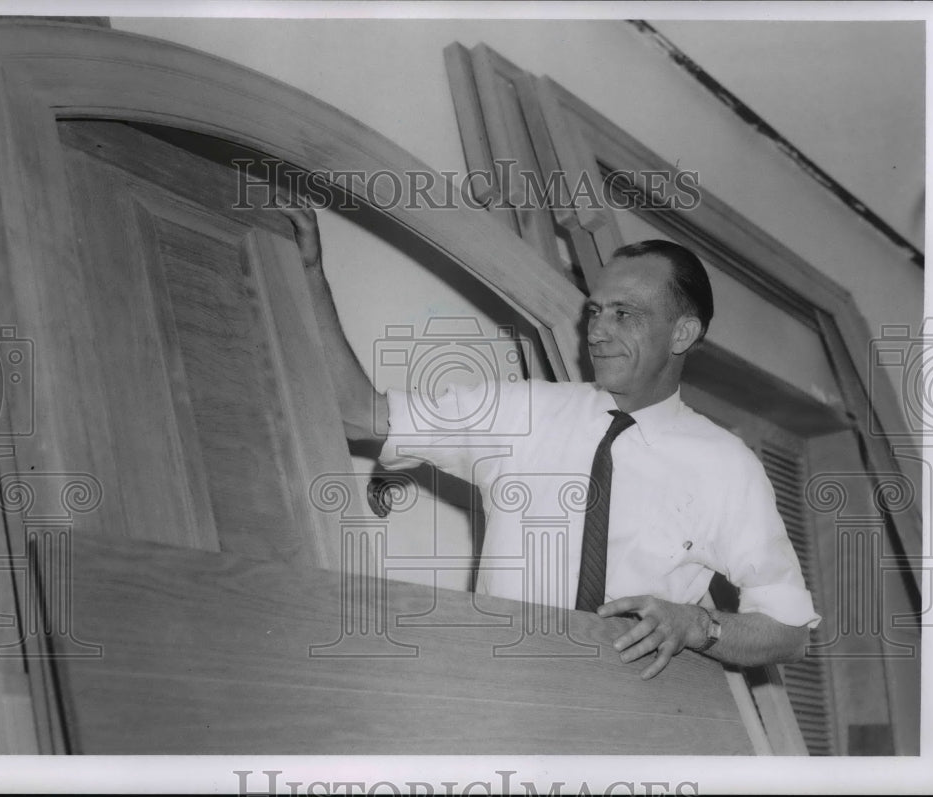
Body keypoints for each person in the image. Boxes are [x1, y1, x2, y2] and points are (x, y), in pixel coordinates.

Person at [278, 195, 820, 680]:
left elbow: (790, 632)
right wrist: (308, 275)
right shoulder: (521, 411)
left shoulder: (727, 466)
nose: (599, 331)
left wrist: (702, 626)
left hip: (639, 722)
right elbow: (356, 415)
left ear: (682, 332)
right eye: (596, 312)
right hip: (503, 696)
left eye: (625, 314)